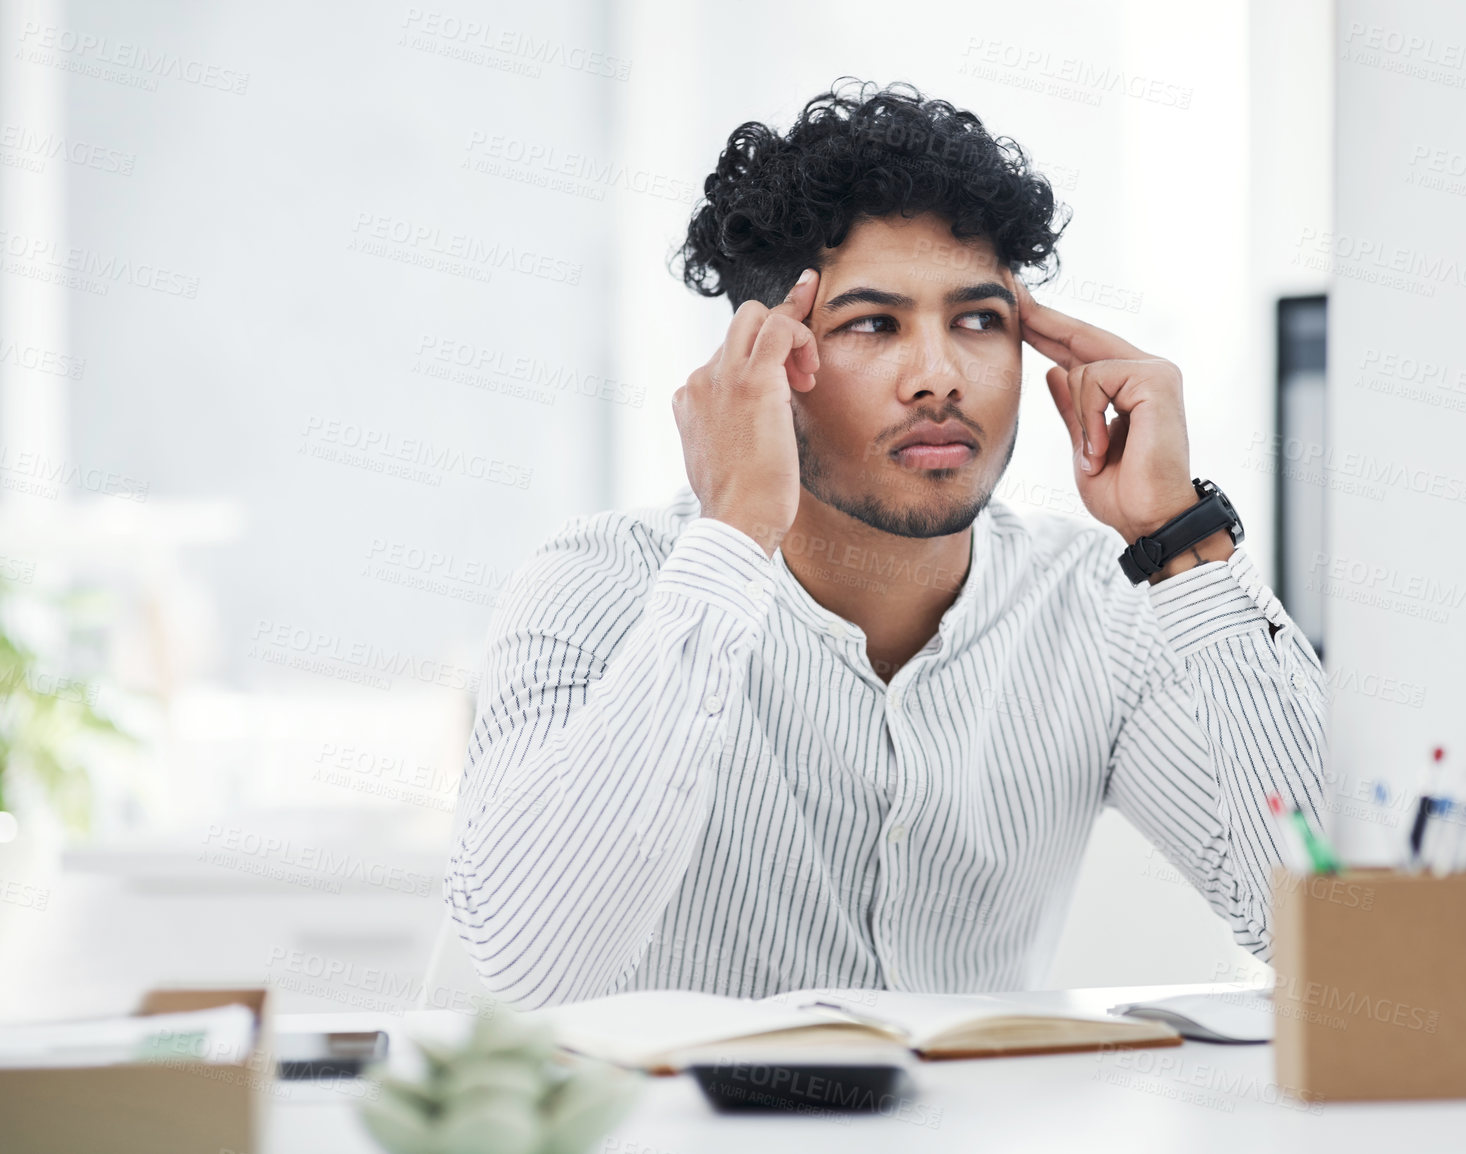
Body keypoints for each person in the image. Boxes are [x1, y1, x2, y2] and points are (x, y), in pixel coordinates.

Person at [445, 80, 1327, 1008]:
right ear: (765, 366)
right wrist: (734, 529)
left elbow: (1340, 935)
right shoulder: (596, 589)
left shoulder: (1092, 607)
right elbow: (530, 968)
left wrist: (1177, 536)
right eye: (873, 324)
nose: (940, 376)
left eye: (979, 321)